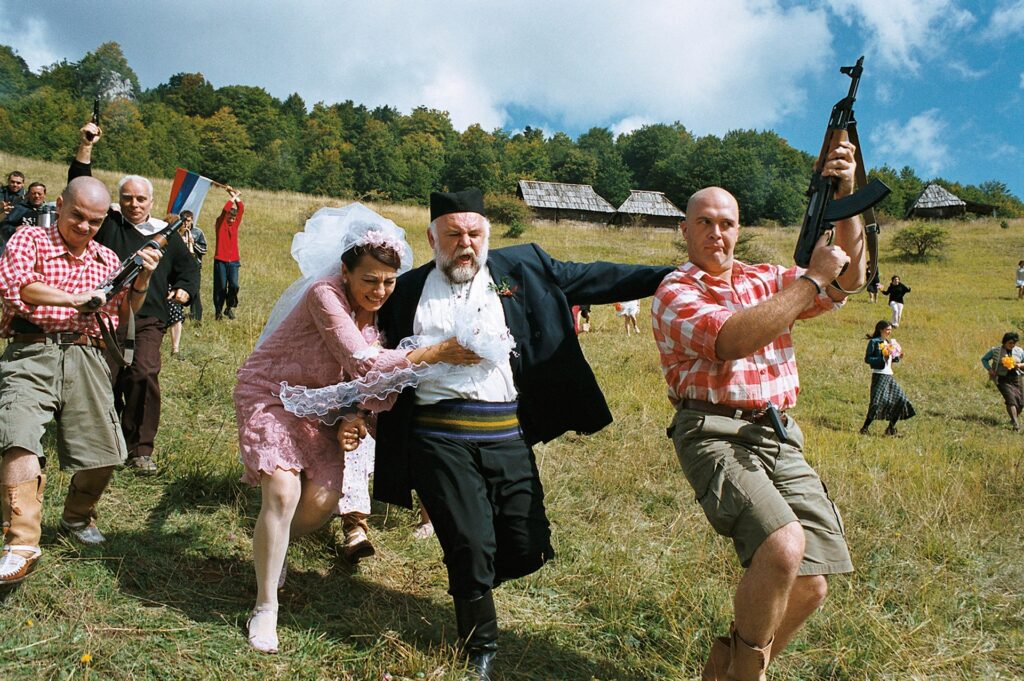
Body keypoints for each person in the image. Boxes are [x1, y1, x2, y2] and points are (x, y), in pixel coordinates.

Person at [371, 188, 673, 679]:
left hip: (505, 431)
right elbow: (363, 345)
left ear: (486, 235)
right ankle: (479, 646)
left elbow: (598, 277)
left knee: (524, 544)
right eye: (453, 234)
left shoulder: (523, 268)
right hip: (435, 434)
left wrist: (674, 275)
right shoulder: (404, 291)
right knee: (469, 543)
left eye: (474, 233)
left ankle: (475, 575)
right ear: (431, 238)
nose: (465, 244)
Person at [652, 140, 864, 681]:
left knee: (811, 582)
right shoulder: (675, 290)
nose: (716, 233)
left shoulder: (766, 278)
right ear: (684, 229)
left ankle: (727, 666)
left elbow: (850, 279)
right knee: (783, 546)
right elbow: (730, 340)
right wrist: (811, 280)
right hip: (713, 431)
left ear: (739, 228)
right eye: (704, 222)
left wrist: (846, 196)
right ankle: (748, 675)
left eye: (726, 223)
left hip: (777, 433)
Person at [234, 204, 478, 654]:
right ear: (345, 272)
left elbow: (362, 385)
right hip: (273, 393)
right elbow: (363, 362)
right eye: (369, 280)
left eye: (389, 281)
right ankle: (266, 605)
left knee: (321, 505)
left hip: (322, 409)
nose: (380, 291)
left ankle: (271, 543)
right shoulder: (323, 294)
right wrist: (437, 352)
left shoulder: (381, 314)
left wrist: (356, 416)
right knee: (282, 494)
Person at [0, 177, 161, 585]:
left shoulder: (107, 258)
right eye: (77, 216)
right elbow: (17, 286)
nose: (85, 227)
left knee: (105, 451)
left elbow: (126, 310)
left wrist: (141, 281)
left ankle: (76, 516)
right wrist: (74, 299)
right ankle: (22, 542)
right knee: (19, 436)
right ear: (60, 205)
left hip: (88, 355)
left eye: (95, 221)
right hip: (31, 349)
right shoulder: (30, 239)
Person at [69, 120, 200, 474]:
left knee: (144, 373)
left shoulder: (165, 235)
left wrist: (184, 290)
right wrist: (86, 146)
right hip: (105, 318)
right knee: (103, 378)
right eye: (127, 197)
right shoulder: (108, 224)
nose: (134, 204)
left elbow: (189, 269)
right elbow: (78, 187)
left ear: (151, 201)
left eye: (141, 198)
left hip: (149, 318)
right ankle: (103, 443)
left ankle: (140, 450)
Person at [859, 320, 915, 436]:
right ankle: (864, 428)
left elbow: (890, 359)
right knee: (876, 402)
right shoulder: (874, 342)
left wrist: (898, 357)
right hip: (879, 375)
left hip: (889, 375)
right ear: (881, 329)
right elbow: (868, 359)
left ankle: (890, 428)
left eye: (890, 330)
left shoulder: (888, 342)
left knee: (901, 400)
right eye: (887, 329)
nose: (889, 332)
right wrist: (882, 357)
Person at [981, 331, 1024, 431]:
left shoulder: (1019, 351)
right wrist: (990, 369)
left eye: (1014, 343)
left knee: (1021, 402)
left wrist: (1019, 365)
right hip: (1002, 378)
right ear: (1004, 342)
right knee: (1010, 399)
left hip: (1016, 378)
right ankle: (1015, 423)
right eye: (1010, 343)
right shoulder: (996, 350)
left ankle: (1013, 419)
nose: (1012, 345)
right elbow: (984, 359)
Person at [213, 188, 244, 321]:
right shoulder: (220, 225)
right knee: (220, 286)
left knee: (234, 286)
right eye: (230, 217)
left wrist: (233, 194)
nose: (231, 220)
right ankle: (218, 312)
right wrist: (234, 195)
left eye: (233, 218)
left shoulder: (235, 225)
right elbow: (225, 209)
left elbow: (241, 207)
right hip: (221, 260)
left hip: (234, 261)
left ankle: (229, 307)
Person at [0, 182, 48, 256]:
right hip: (22, 250)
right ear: (28, 194)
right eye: (33, 193)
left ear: (44, 195)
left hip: (44, 250)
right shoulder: (19, 209)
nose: (36, 196)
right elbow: (4, 227)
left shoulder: (50, 211)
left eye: (39, 194)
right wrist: (15, 229)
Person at [182, 211, 207, 323]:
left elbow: (204, 250)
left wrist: (193, 243)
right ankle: (178, 315)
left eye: (188, 220)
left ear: (192, 220)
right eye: (184, 220)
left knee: (195, 291)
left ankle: (196, 318)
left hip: (194, 266)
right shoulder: (178, 232)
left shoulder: (198, 232)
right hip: (181, 266)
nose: (186, 223)